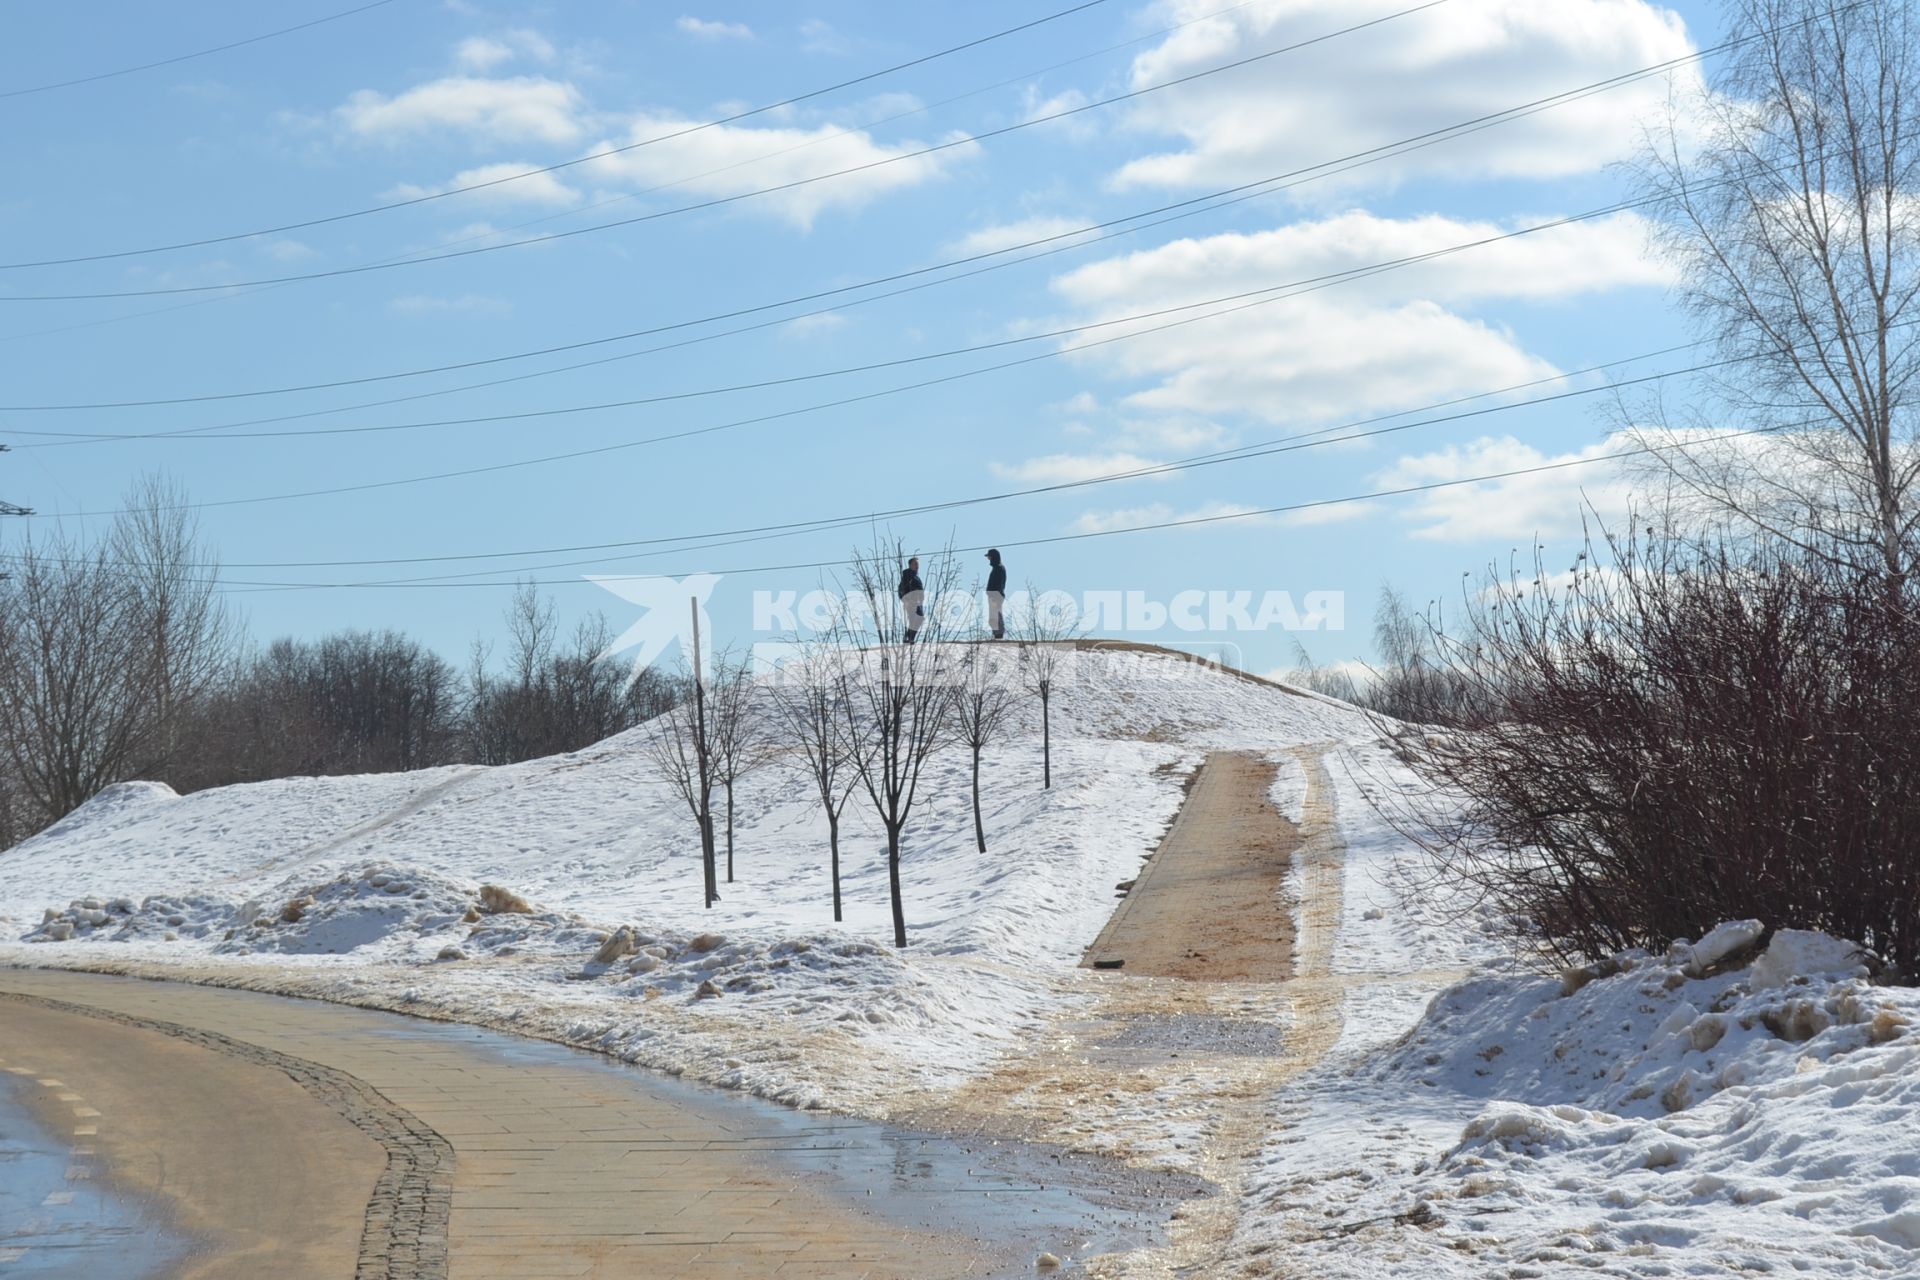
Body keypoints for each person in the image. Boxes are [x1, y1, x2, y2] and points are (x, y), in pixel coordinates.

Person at [898, 556, 925, 644]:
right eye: (915, 564)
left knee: (917, 619)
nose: (917, 566)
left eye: (918, 564)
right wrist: (906, 600)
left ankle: (909, 638)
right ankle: (909, 638)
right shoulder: (908, 575)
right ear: (910, 565)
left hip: (917, 602)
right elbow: (901, 589)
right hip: (911, 601)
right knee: (916, 618)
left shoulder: (915, 576)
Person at [984, 548, 1008, 640]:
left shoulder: (999, 568)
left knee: (996, 616)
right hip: (994, 595)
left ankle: (999, 636)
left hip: (995, 595)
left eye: (989, 557)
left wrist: (994, 594)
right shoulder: (997, 568)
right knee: (994, 617)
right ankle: (997, 635)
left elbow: (998, 583)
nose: (988, 559)